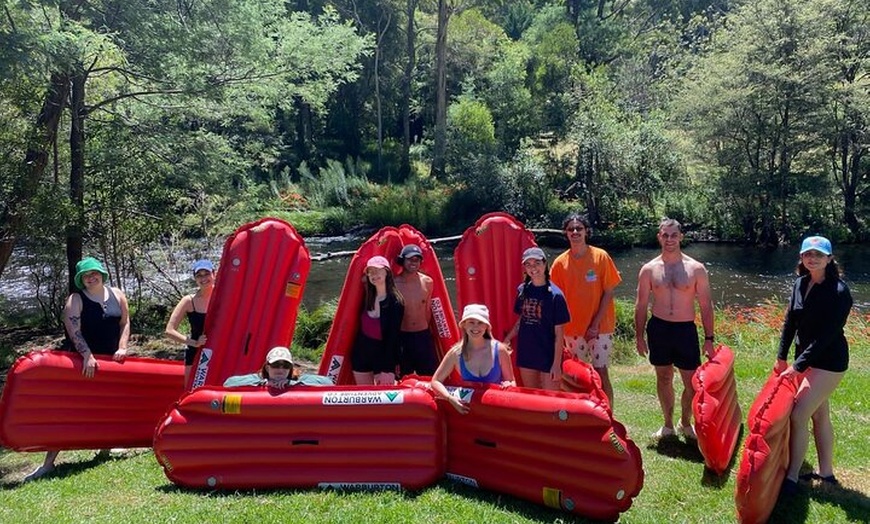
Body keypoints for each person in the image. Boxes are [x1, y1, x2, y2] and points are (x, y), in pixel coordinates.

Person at [25, 256, 131, 482]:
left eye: (94, 273)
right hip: (81, 363)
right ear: (81, 279)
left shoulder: (118, 295)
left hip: (111, 362)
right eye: (86, 275)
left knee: (108, 406)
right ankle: (48, 463)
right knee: (68, 410)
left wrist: (122, 348)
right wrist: (87, 355)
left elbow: (125, 323)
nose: (91, 277)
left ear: (102, 274)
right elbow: (74, 330)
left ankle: (105, 448)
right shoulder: (76, 299)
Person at [777, 236, 852, 494]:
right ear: (801, 257)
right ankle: (826, 472)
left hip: (830, 362)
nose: (813, 258)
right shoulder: (800, 283)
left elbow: (826, 336)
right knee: (819, 414)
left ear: (829, 259)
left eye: (819, 255)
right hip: (806, 358)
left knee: (799, 414)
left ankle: (792, 477)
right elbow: (790, 323)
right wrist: (781, 356)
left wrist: (797, 367)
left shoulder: (839, 292)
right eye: (808, 253)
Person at [635, 218, 715, 440]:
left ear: (681, 237)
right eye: (665, 235)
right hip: (659, 328)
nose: (669, 239)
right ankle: (668, 424)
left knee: (691, 383)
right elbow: (641, 304)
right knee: (663, 378)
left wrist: (709, 338)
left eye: (673, 235)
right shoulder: (649, 269)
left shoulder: (696, 269)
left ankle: (686, 422)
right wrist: (639, 336)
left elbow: (706, 305)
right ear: (659, 237)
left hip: (685, 330)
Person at [551, 214, 621, 405]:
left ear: (586, 231)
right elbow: (555, 300)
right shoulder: (559, 263)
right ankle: (581, 413)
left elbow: (608, 292)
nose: (575, 232)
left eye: (579, 228)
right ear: (566, 233)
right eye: (571, 229)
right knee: (576, 375)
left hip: (601, 327)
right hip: (572, 329)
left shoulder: (601, 257)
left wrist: (595, 324)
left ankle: (608, 416)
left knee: (600, 371)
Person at [431, 304, 516, 414]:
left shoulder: (499, 350)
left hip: (496, 412)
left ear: (486, 327)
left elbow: (511, 381)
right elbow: (436, 381)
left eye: (480, 322)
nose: (475, 327)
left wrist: (509, 385)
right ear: (464, 325)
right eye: (471, 322)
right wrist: (449, 398)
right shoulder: (456, 353)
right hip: (470, 413)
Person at [505, 247, 570, 390]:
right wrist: (507, 340)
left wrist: (556, 365)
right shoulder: (522, 290)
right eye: (528, 264)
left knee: (551, 400)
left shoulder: (556, 296)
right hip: (526, 352)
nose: (533, 268)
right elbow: (521, 320)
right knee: (531, 395)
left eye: (537, 263)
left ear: (545, 264)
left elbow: (560, 334)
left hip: (548, 353)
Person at [351, 255, 404, 385]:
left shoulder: (395, 302)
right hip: (361, 354)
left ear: (387, 271)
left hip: (383, 357)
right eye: (370, 272)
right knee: (364, 397)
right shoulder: (367, 297)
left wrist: (389, 368)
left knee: (384, 400)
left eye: (378, 270)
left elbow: (393, 337)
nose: (374, 275)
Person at [164, 259, 214, 386]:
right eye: (199, 275)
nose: (203, 278)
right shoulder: (188, 301)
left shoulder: (224, 296)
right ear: (195, 279)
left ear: (214, 274)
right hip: (196, 354)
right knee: (191, 391)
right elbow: (169, 331)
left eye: (206, 274)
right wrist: (194, 343)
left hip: (219, 351)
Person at [394, 244, 439, 377]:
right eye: (410, 259)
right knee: (403, 377)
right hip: (403, 337)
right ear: (402, 260)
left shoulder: (428, 282)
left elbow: (427, 310)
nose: (413, 263)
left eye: (417, 260)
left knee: (429, 376)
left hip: (423, 336)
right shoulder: (394, 284)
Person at [224, 346, 333, 388]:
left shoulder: (297, 379)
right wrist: (262, 384)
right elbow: (229, 383)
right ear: (267, 368)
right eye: (276, 365)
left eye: (285, 366)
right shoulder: (259, 378)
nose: (281, 370)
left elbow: (328, 383)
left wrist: (291, 384)